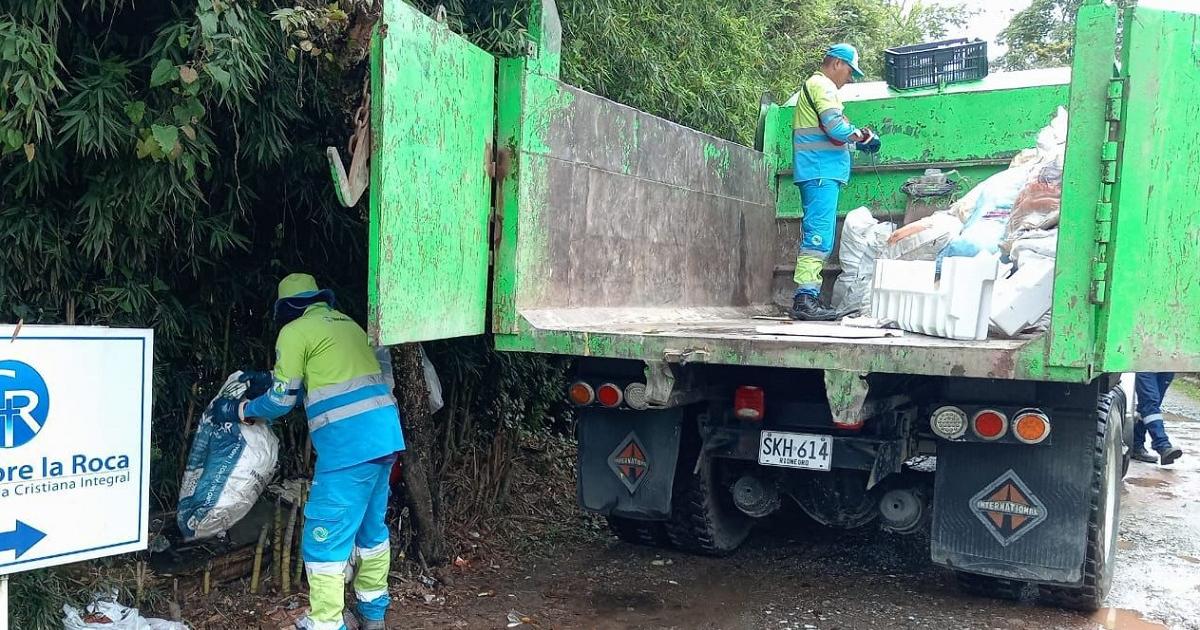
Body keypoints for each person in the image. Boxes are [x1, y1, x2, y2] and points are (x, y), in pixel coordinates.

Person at [216, 273, 405, 630]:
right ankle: (373, 613)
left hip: (347, 448)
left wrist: (243, 410)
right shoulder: (349, 324)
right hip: (386, 440)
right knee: (371, 532)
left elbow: (280, 401)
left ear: (286, 309)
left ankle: (327, 623)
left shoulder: (294, 332)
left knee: (324, 540)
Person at [790, 43, 882, 321]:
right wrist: (862, 136)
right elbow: (835, 127)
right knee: (817, 237)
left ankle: (808, 297)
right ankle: (805, 300)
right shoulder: (823, 86)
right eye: (850, 71)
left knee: (819, 235)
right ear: (837, 64)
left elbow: (829, 134)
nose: (850, 79)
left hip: (819, 170)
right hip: (820, 171)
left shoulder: (817, 87)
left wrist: (855, 142)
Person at [1129, 372, 1183, 465]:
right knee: (1150, 403)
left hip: (1167, 367)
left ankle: (1136, 444)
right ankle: (1163, 445)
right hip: (1146, 366)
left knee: (1149, 407)